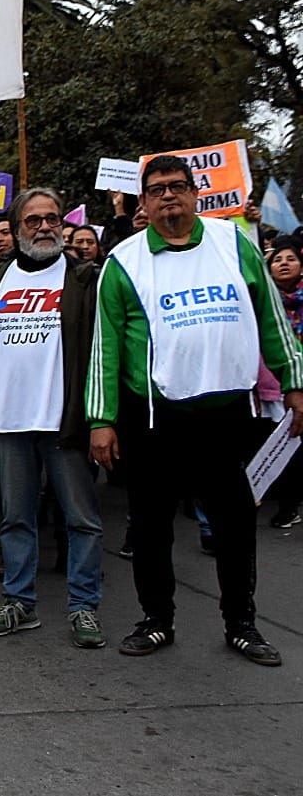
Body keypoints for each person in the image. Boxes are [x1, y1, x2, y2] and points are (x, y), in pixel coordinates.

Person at [88, 156, 303, 666]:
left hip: (227, 414)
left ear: (195, 193)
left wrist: (294, 381)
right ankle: (156, 620)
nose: (168, 196)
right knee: (151, 526)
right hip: (154, 418)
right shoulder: (124, 261)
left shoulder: (235, 245)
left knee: (234, 524)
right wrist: (102, 420)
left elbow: (271, 318)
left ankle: (242, 623)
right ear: (143, 202)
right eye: (157, 189)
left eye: (178, 186)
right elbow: (106, 346)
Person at [0, 188, 106, 650]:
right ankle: (18, 603)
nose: (45, 227)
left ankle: (84, 606)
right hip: (5, 420)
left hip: (63, 420)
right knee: (15, 519)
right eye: (33, 220)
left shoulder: (85, 278)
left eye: (52, 219)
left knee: (81, 519)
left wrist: (102, 417)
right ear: (17, 227)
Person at [265, 235, 303, 528]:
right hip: (275, 385)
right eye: (277, 259)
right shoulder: (264, 303)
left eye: (290, 258)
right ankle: (287, 503)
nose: (284, 263)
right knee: (287, 442)